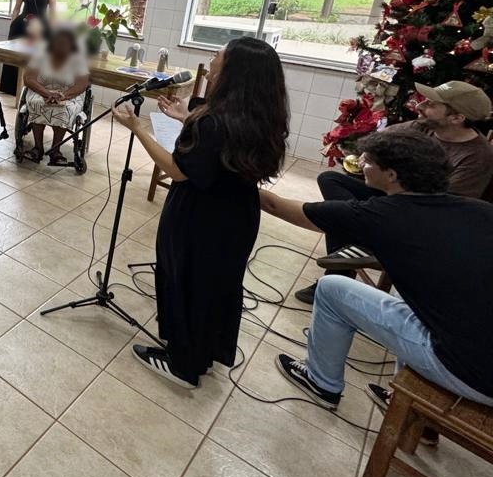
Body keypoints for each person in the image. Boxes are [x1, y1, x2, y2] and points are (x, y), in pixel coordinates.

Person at [260, 130, 493, 411]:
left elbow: (275, 205)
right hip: (477, 347)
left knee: (333, 289)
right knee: (415, 299)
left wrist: (234, 179)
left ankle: (321, 382)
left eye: (368, 160)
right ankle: (399, 398)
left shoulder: (382, 216)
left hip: (471, 374)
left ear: (391, 174)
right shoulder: (480, 210)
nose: (360, 162)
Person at [112, 37, 288, 389]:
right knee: (214, 287)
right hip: (236, 214)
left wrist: (138, 129)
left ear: (234, 70)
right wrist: (187, 117)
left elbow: (178, 171)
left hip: (201, 216)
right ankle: (201, 354)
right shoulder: (259, 117)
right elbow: (220, 155)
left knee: (186, 281)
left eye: (218, 54)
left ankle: (183, 365)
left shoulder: (214, 123)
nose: (213, 57)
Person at [294, 79, 493, 304]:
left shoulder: (477, 157)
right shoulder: (422, 127)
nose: (420, 106)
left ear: (456, 117)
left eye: (431, 104)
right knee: (331, 180)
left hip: (422, 218)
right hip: (393, 198)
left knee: (346, 215)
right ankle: (360, 243)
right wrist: (370, 155)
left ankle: (342, 268)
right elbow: (375, 141)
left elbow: (445, 207)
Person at [22, 27, 90, 165]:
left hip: (68, 94)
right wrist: (46, 93)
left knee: (65, 109)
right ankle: (38, 148)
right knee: (37, 103)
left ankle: (55, 150)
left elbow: (82, 84)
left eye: (65, 43)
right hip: (41, 90)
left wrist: (63, 96)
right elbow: (29, 78)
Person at [0, 0, 56, 94]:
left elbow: (53, 13)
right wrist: (12, 24)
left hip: (41, 27)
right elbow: (17, 8)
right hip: (21, 25)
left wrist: (52, 29)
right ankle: (10, 88)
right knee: (15, 56)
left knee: (39, 57)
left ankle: (36, 88)